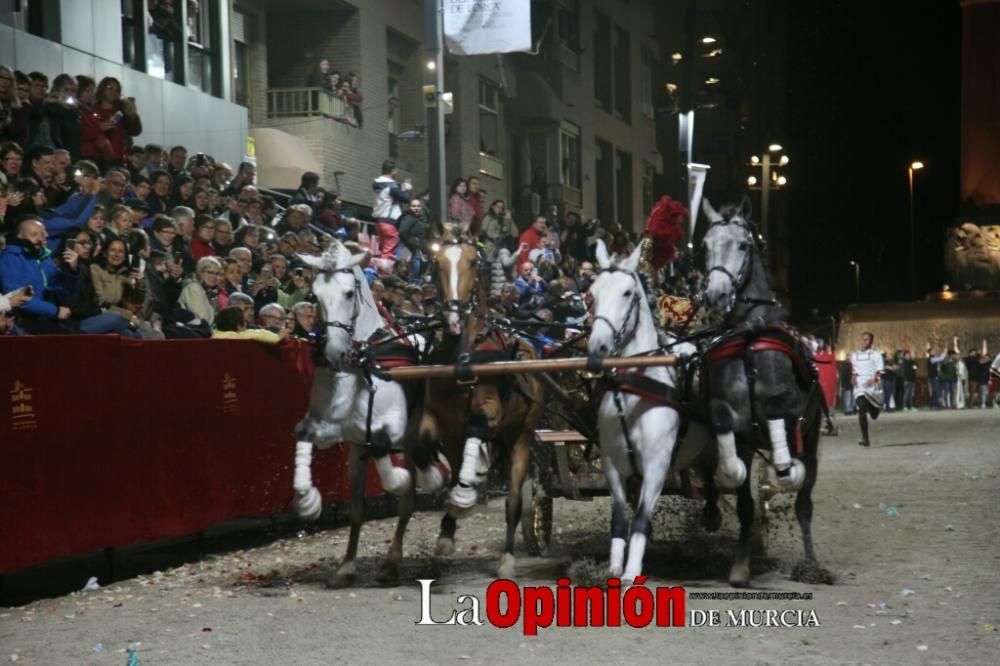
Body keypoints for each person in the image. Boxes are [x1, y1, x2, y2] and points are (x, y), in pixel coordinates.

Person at [371, 159, 411, 260]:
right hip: (389, 222)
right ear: (393, 171)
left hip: (379, 222)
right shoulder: (392, 186)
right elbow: (406, 198)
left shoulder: (377, 183)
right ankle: (384, 274)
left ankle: (380, 272)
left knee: (382, 250)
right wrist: (407, 188)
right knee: (388, 252)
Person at [850, 331, 884, 448]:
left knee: (874, 415)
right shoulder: (854, 355)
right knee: (861, 409)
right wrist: (853, 377)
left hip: (872, 385)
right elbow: (854, 371)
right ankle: (865, 438)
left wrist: (874, 379)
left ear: (871, 341)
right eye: (863, 339)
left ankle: (874, 408)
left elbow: (880, 373)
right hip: (860, 386)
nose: (865, 341)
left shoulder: (876, 355)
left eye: (867, 339)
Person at [397, 197, 428, 283]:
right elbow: (402, 232)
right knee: (414, 273)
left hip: (416, 249)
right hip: (411, 250)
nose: (416, 208)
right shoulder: (409, 218)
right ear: (409, 207)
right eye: (414, 206)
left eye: (418, 206)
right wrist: (413, 244)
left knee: (417, 273)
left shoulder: (419, 219)